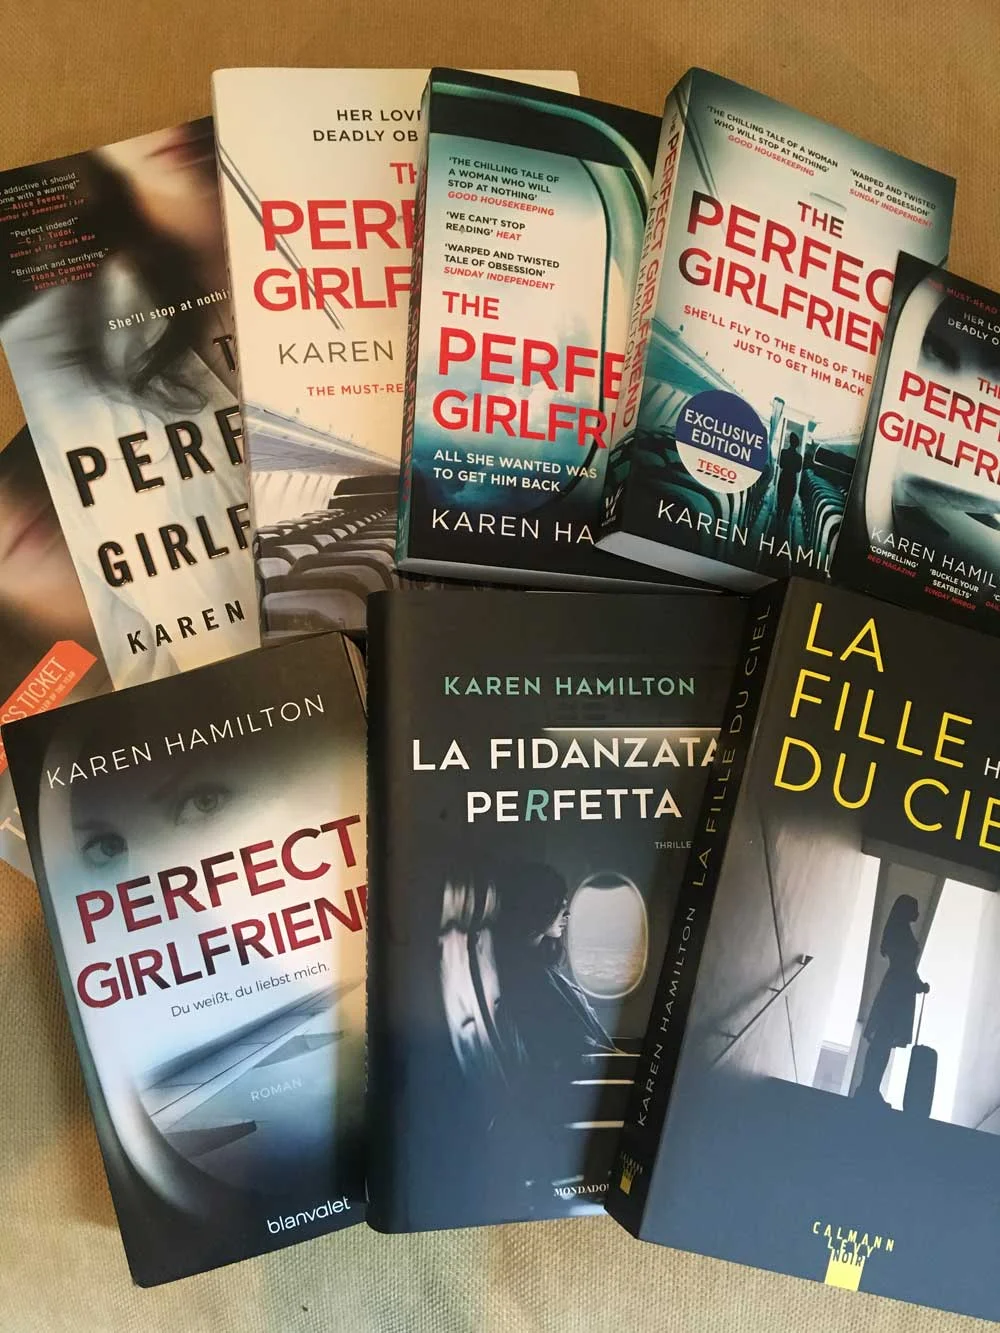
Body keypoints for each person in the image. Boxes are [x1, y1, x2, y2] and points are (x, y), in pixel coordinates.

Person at [854, 893, 930, 1104]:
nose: (918, 913)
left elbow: (905, 965)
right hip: (898, 990)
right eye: (914, 908)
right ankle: (869, 1088)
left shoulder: (899, 930)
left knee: (883, 1041)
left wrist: (917, 984)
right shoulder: (901, 932)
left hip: (898, 988)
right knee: (883, 1041)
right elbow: (905, 965)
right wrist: (918, 984)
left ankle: (870, 1087)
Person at [775, 429, 803, 527]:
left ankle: (775, 526)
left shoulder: (783, 452)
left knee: (780, 501)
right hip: (792, 481)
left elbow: (781, 465)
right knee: (788, 503)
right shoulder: (799, 457)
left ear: (790, 441)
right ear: (797, 444)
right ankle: (783, 526)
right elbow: (798, 470)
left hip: (783, 478)